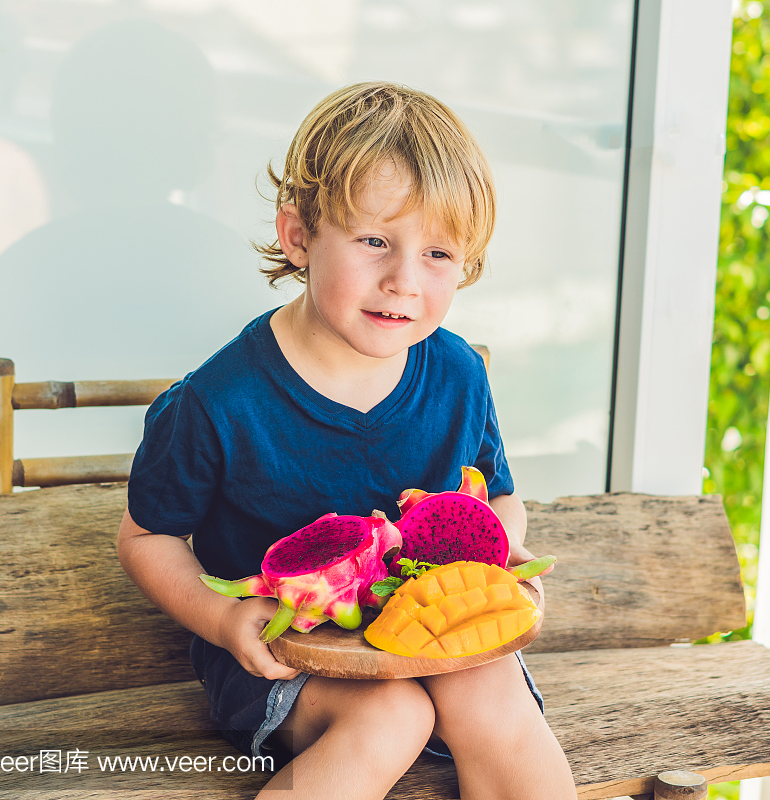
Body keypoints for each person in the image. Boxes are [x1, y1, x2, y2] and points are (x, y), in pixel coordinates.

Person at [117, 82, 575, 799]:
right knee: (393, 716)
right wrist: (226, 619)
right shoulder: (218, 401)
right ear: (298, 235)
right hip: (287, 658)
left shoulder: (458, 373)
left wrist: (499, 551)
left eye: (439, 255)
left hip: (434, 623)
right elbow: (146, 539)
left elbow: (499, 500)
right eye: (373, 241)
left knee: (493, 702)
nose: (403, 281)